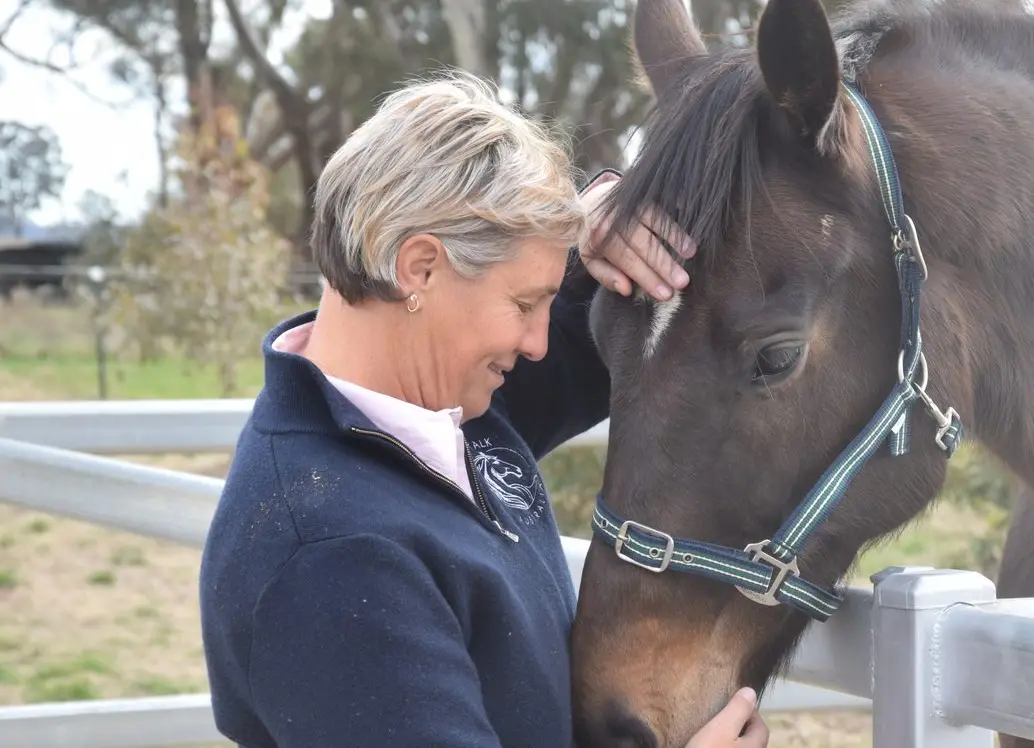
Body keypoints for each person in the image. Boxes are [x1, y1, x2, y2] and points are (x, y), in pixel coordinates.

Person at [197, 72, 767, 748]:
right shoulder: (336, 563)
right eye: (526, 305)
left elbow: (606, 337)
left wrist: (614, 220)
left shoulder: (426, 412)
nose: (537, 342)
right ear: (421, 269)